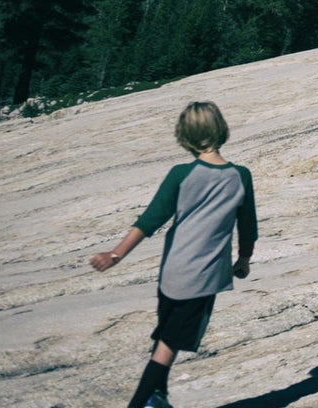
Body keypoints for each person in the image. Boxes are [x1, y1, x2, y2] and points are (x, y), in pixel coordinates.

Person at [90, 101, 259, 408]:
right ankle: (141, 403)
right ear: (221, 129)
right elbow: (248, 228)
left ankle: (159, 399)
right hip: (203, 278)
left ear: (186, 136)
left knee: (164, 339)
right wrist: (244, 259)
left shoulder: (181, 174)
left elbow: (150, 220)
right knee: (166, 349)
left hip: (172, 272)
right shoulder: (240, 177)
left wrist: (116, 255)